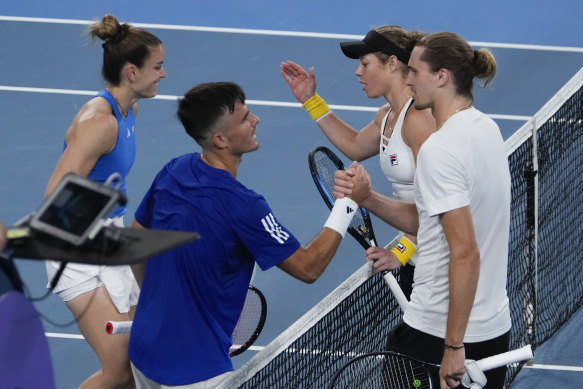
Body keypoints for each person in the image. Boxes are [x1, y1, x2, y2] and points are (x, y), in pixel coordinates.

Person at [128, 81, 359, 388]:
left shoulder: (175, 170)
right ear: (221, 139)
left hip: (144, 351)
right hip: (195, 373)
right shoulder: (244, 205)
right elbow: (308, 266)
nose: (256, 120)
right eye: (245, 118)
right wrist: (347, 205)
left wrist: (159, 304)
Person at [334, 31, 511, 389]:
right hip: (493, 324)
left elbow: (465, 252)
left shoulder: (439, 150)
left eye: (414, 71)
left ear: (441, 76)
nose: (409, 79)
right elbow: (433, 222)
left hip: (441, 327)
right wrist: (368, 198)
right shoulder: (487, 129)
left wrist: (453, 345)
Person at [44, 14, 166, 389]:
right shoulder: (99, 122)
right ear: (132, 71)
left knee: (137, 361)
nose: (163, 73)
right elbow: (55, 197)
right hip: (73, 247)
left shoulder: (130, 109)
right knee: (119, 370)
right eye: (157, 67)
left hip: (107, 237)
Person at [281, 26, 436, 298]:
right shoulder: (388, 115)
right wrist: (311, 100)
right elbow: (354, 145)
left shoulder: (420, 120)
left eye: (365, 63)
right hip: (419, 258)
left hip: (440, 264)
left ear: (391, 63)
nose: (358, 72)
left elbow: (437, 206)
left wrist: (400, 251)